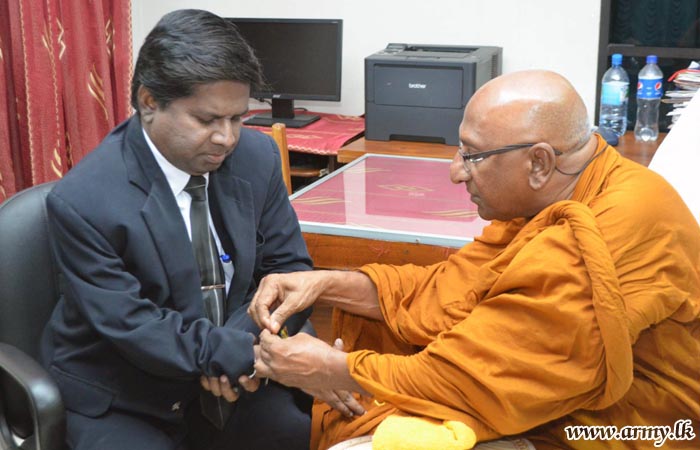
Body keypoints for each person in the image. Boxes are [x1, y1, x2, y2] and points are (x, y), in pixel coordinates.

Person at [248, 70, 700, 450]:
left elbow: (481, 377)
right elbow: (448, 290)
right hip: (536, 392)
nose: (456, 171)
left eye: (474, 155)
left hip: (629, 427)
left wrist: (335, 368)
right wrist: (323, 283)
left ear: (539, 163)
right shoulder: (565, 189)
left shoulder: (608, 226)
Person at [41, 9, 313, 450]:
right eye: (207, 121)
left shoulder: (257, 158)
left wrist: (237, 355)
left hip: (235, 370)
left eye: (238, 118)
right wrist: (235, 356)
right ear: (149, 102)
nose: (227, 138)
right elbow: (134, 325)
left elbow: (289, 271)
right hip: (125, 389)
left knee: (297, 434)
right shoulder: (84, 201)